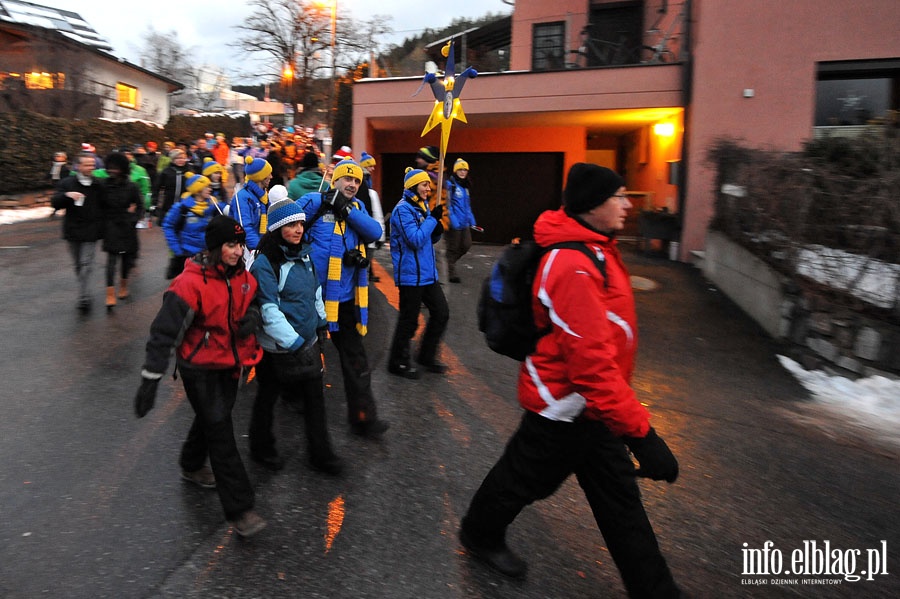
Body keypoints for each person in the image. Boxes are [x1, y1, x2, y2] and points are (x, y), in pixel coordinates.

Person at [459, 164, 681, 596]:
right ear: (593, 205)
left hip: (594, 408)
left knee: (620, 503)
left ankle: (656, 590)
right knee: (521, 481)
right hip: (562, 407)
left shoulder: (595, 248)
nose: (627, 203)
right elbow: (591, 365)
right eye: (618, 196)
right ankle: (478, 533)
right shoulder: (572, 265)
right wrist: (642, 435)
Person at [134, 215, 267, 538]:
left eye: (240, 245)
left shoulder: (244, 278)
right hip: (199, 368)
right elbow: (163, 334)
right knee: (221, 430)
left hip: (232, 363)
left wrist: (251, 317)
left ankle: (192, 464)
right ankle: (240, 508)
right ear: (214, 247)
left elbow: (253, 301)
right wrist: (150, 379)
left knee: (212, 420)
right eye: (230, 245)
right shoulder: (189, 284)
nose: (237, 252)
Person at [248, 196, 343, 475]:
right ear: (278, 228)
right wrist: (296, 343)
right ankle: (260, 448)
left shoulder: (305, 255)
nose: (298, 229)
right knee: (267, 398)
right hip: (276, 351)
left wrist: (322, 322)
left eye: (301, 223)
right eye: (291, 225)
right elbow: (269, 311)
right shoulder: (265, 264)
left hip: (306, 344)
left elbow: (314, 292)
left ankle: (321, 454)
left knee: (315, 401)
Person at [298, 159, 389, 437]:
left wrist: (345, 209)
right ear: (334, 179)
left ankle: (363, 417)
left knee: (355, 360)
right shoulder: (314, 201)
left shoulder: (357, 208)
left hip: (345, 301)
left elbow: (375, 232)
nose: (351, 184)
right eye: (346, 179)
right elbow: (284, 224)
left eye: (356, 181)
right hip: (312, 300)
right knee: (304, 359)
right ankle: (295, 400)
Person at [387, 168, 449, 379]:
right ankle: (397, 362)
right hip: (410, 276)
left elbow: (427, 240)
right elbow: (414, 240)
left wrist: (436, 229)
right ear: (413, 186)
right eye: (424, 185)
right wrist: (432, 220)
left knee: (441, 313)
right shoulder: (402, 210)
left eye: (428, 185)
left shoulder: (421, 206)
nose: (428, 189)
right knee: (409, 320)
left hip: (427, 274)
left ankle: (426, 356)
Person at [51, 153, 105, 312]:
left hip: (91, 230)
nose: (91, 167)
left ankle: (84, 297)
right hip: (73, 230)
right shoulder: (67, 183)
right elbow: (55, 202)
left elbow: (107, 203)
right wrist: (67, 195)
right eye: (87, 164)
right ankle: (84, 289)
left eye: (92, 164)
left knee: (86, 264)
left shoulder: (98, 184)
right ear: (78, 166)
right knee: (78, 265)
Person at [98, 152, 142, 310]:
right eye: (110, 168)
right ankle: (109, 293)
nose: (112, 171)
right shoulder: (103, 185)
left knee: (126, 260)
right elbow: (97, 204)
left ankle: (123, 285)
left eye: (115, 168)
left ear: (123, 169)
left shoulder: (132, 186)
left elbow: (140, 207)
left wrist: (133, 219)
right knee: (110, 261)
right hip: (110, 226)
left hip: (127, 226)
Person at [162, 172, 219, 279]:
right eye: (206, 187)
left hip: (207, 255)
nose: (210, 189)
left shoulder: (213, 206)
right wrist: (177, 249)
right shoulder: (181, 208)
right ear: (197, 189)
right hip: (187, 256)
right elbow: (168, 226)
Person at [444, 158, 478, 283]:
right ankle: (450, 272)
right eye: (460, 169)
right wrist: (453, 221)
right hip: (454, 223)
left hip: (464, 223)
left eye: (465, 170)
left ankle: (447, 264)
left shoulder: (465, 187)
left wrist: (472, 220)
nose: (463, 172)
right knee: (453, 247)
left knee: (466, 245)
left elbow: (467, 206)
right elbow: (448, 205)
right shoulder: (450, 185)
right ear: (455, 171)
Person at [231, 156, 273, 252]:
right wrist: (261, 249)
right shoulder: (243, 198)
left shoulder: (264, 196)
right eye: (268, 174)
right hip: (249, 251)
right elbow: (245, 228)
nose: (271, 177)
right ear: (260, 177)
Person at [152, 148, 189, 224]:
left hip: (185, 202)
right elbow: (157, 187)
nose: (181, 160)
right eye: (178, 158)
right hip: (169, 202)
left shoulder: (189, 170)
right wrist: (155, 201)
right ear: (172, 159)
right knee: (167, 224)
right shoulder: (167, 171)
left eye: (183, 158)